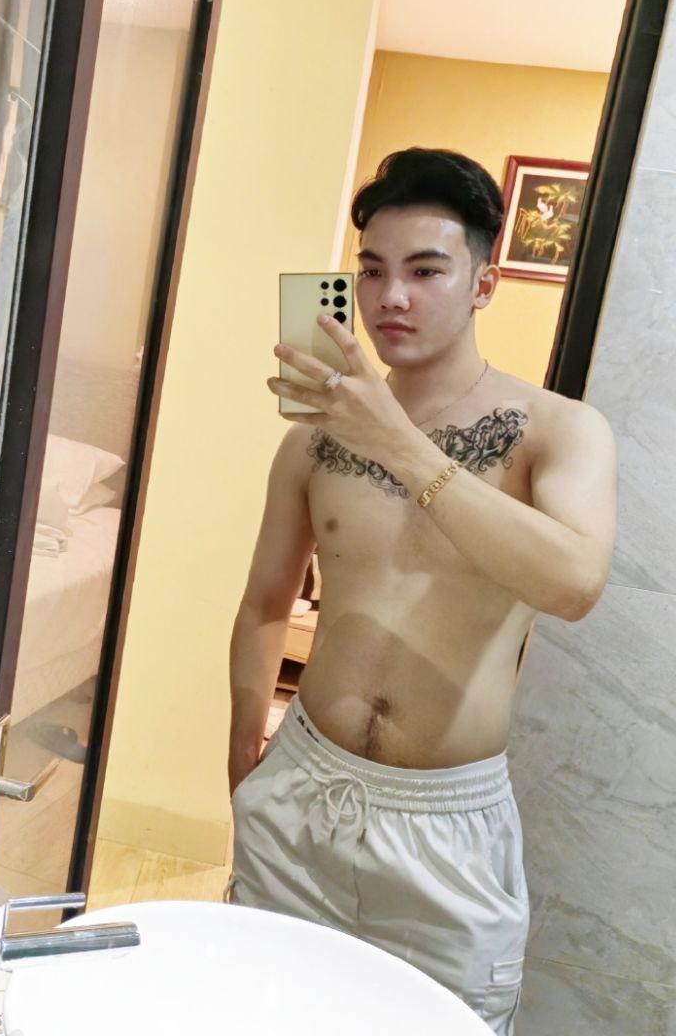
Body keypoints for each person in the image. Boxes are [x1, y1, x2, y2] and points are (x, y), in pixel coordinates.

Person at [227, 147, 617, 1034]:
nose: (390, 297)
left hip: (447, 831)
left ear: (483, 283)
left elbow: (574, 583)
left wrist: (400, 443)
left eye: (425, 270)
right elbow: (264, 603)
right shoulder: (311, 441)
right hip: (302, 791)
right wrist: (247, 746)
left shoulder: (557, 433)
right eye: (371, 270)